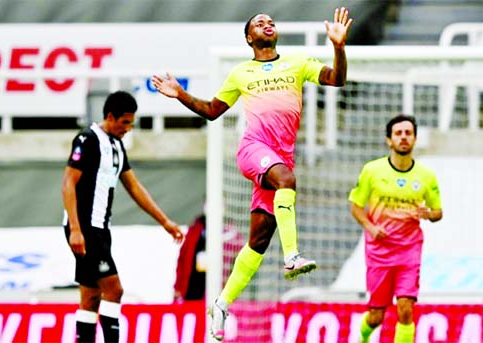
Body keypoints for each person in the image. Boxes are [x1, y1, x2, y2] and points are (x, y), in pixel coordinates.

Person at [152, 7, 353, 341]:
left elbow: (338, 79)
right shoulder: (240, 72)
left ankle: (221, 303)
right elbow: (213, 111)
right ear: (249, 37)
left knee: (258, 241)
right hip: (254, 151)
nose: (267, 23)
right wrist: (181, 95)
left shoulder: (298, 63)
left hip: (279, 159)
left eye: (271, 21)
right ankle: (292, 256)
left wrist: (339, 47)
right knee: (288, 181)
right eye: (259, 22)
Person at [61, 90, 184, 343]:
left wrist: (165, 221)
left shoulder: (116, 146)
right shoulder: (87, 139)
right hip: (85, 228)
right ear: (110, 116)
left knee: (91, 297)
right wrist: (75, 228)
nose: (128, 128)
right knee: (114, 290)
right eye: (125, 122)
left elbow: (134, 186)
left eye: (131, 123)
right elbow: (68, 183)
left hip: (100, 229)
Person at [348, 114, 443, 343]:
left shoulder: (426, 176)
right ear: (389, 140)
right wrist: (370, 227)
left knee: (405, 308)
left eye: (408, 133)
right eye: (398, 133)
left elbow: (438, 212)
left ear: (415, 139)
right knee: (376, 316)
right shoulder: (372, 171)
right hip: (379, 251)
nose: (403, 137)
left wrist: (429, 215)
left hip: (409, 249)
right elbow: (356, 206)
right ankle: (360, 338)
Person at [174, 213, 207, 302]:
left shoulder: (227, 230)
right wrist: (178, 286)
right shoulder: (194, 229)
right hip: (192, 284)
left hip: (211, 285)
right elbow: (182, 258)